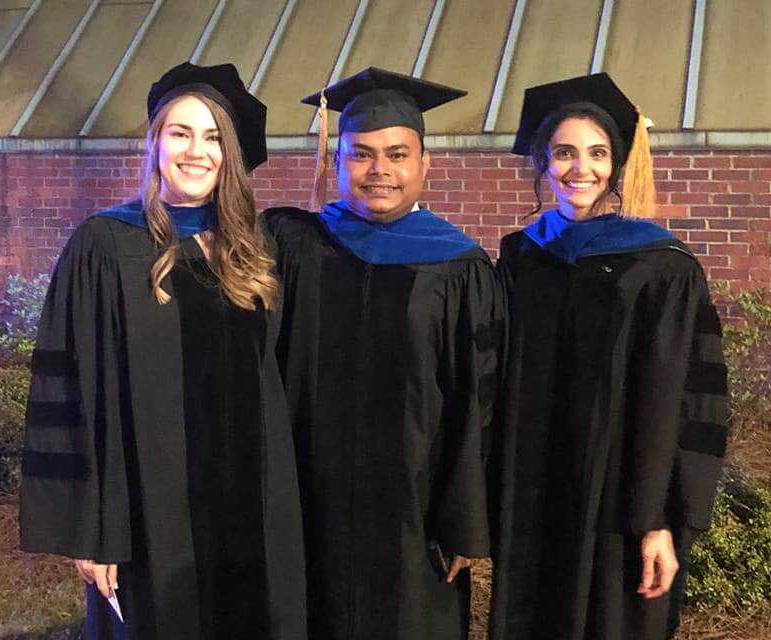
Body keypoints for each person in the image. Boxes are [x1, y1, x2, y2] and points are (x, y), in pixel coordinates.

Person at [19, 62, 306, 640]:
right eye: (180, 133)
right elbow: (72, 391)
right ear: (155, 143)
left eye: (212, 137)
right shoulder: (105, 245)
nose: (196, 151)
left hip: (254, 509)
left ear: (231, 154)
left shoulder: (258, 248)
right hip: (150, 517)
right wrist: (93, 531)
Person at [263, 67, 505, 640]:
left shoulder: (459, 267)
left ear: (425, 165)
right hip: (306, 502)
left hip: (415, 517)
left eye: (397, 155)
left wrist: (465, 522)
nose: (380, 171)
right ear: (336, 161)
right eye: (361, 155)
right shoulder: (295, 247)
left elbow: (480, 400)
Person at [487, 73, 728, 640]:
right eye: (564, 153)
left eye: (597, 153)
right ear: (542, 164)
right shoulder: (520, 258)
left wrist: (662, 522)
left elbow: (688, 401)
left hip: (624, 508)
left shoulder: (662, 267)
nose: (580, 169)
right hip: (534, 504)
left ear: (617, 164)